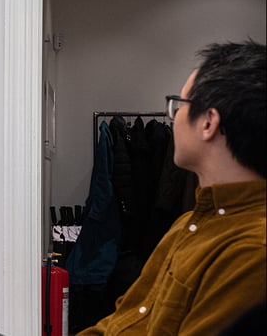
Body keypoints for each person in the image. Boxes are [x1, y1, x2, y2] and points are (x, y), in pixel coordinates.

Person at [79, 41, 266, 335]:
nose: (172, 117)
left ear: (208, 122)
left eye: (178, 105)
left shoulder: (252, 254)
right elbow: (122, 323)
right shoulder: (187, 225)